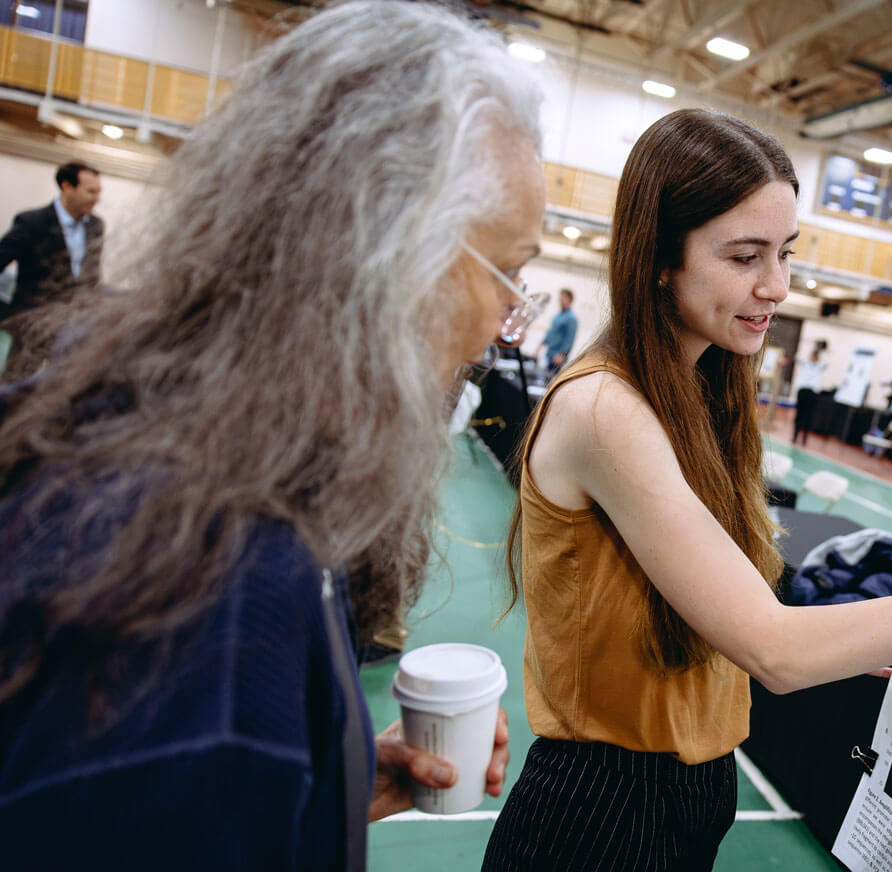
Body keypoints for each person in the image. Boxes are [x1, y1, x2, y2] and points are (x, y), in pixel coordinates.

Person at [483, 107, 892, 871]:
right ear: (660, 255)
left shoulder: (694, 394)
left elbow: (735, 606)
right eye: (746, 256)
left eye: (784, 253)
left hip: (688, 793)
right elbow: (774, 652)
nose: (777, 286)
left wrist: (869, 635)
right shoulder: (604, 408)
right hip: (604, 812)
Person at [0, 3, 542, 867]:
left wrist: (327, 779)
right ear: (386, 250)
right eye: (508, 274)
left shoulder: (164, 435)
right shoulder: (207, 592)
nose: (508, 322)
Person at [0, 160, 105, 380]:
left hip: (73, 324)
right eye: (90, 191)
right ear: (67, 187)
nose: (97, 198)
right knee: (15, 382)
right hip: (32, 325)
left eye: (98, 192)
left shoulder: (95, 226)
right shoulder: (32, 222)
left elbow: (91, 275)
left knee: (64, 386)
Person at [791, 339, 826, 445]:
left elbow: (828, 362)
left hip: (812, 393)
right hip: (802, 391)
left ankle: (804, 439)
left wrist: (820, 350)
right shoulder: (805, 363)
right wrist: (809, 346)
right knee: (799, 414)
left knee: (809, 416)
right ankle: (795, 436)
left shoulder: (819, 366)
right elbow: (797, 356)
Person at [540, 286, 577, 378]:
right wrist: (541, 344)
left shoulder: (571, 318)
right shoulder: (558, 316)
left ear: (570, 300)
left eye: (563, 298)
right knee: (545, 377)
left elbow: (570, 338)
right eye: (560, 298)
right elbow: (551, 332)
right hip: (550, 352)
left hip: (558, 355)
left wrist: (562, 354)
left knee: (551, 380)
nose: (560, 300)